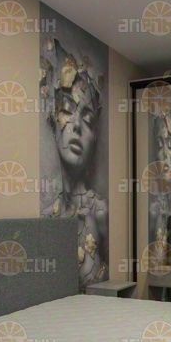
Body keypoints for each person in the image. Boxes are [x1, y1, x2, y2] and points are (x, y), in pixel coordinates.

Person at [40, 38, 108, 287]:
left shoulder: (99, 211)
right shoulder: (47, 214)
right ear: (52, 118)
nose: (77, 126)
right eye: (67, 110)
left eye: (88, 120)